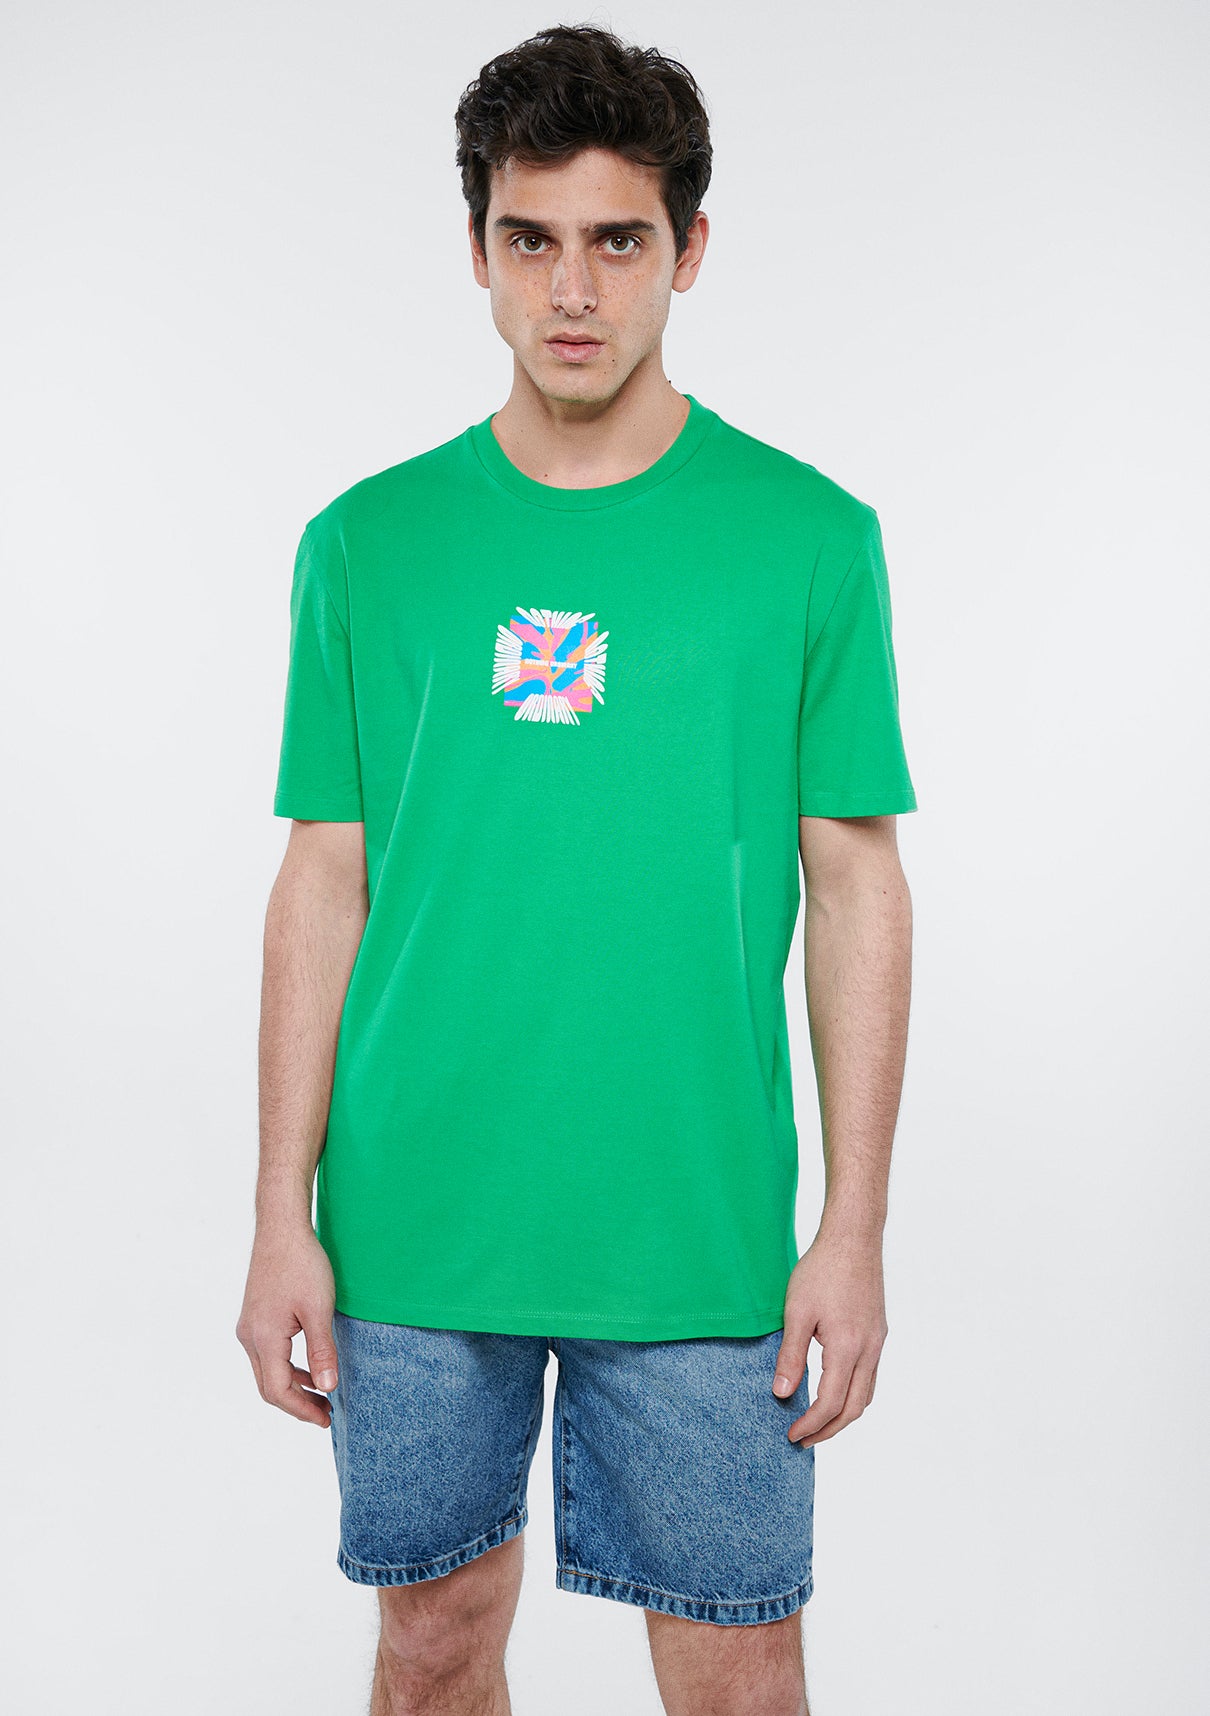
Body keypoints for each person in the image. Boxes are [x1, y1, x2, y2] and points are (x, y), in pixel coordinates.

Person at [236, 21, 917, 1716]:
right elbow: (325, 882)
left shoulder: (807, 539)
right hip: (412, 1232)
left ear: (689, 247)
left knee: (740, 1669)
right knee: (430, 1647)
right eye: (529, 239)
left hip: (694, 1233)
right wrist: (278, 1215)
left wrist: (850, 1230)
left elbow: (855, 887)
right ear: (475, 249)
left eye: (617, 239)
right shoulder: (366, 545)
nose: (572, 289)